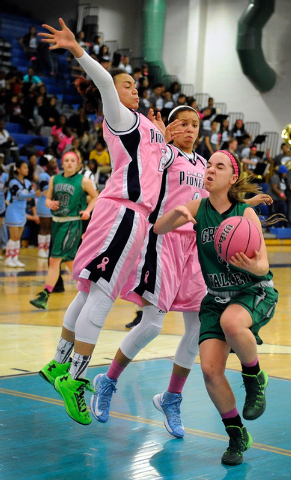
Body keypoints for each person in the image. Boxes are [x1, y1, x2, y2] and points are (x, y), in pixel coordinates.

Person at [90, 107, 273, 437]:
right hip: (164, 242)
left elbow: (218, 199)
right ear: (173, 127)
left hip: (198, 250)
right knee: (152, 325)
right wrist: (158, 139)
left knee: (198, 328)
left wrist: (247, 202)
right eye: (183, 124)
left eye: (195, 125)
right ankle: (108, 379)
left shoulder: (205, 165)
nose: (189, 129)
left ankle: (172, 398)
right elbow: (142, 168)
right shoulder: (166, 155)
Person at [36, 18, 178, 425]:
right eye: (127, 84)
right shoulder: (121, 119)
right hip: (122, 213)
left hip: (132, 218)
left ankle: (57, 365)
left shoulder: (148, 129)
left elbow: (160, 167)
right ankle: (77, 381)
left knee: (87, 291)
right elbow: (102, 81)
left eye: (135, 85)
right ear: (115, 93)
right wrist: (78, 50)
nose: (134, 88)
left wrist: (164, 139)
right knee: (101, 295)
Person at [153, 150, 278, 466]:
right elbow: (158, 229)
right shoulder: (198, 207)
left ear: (232, 177)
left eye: (218, 166)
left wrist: (252, 264)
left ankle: (254, 378)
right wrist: (176, 211)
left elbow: (263, 266)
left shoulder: (244, 214)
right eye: (208, 164)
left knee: (232, 323)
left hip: (251, 290)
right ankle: (237, 436)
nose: (210, 169)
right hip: (216, 296)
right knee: (210, 370)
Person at [30, 151, 98, 308]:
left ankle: (44, 295)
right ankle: (91, 287)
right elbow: (47, 199)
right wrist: (49, 204)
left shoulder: (84, 181)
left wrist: (87, 211)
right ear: (62, 163)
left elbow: (96, 196)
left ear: (77, 164)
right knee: (69, 260)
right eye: (66, 160)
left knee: (54, 259)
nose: (69, 163)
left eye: (72, 161)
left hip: (71, 223)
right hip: (57, 222)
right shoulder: (55, 179)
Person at [4, 159, 40, 267]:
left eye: (27, 167)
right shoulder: (13, 182)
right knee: (13, 237)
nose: (27, 169)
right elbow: (21, 195)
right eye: (24, 167)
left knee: (18, 237)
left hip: (21, 212)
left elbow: (29, 197)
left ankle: (15, 258)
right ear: (18, 170)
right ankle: (8, 258)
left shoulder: (28, 182)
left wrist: (31, 195)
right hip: (13, 211)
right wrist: (32, 194)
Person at [36, 154, 58, 258]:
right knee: (44, 227)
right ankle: (41, 249)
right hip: (43, 204)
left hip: (52, 204)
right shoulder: (43, 175)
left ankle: (47, 248)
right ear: (47, 164)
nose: (55, 163)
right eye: (53, 162)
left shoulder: (55, 175)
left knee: (50, 228)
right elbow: (45, 188)